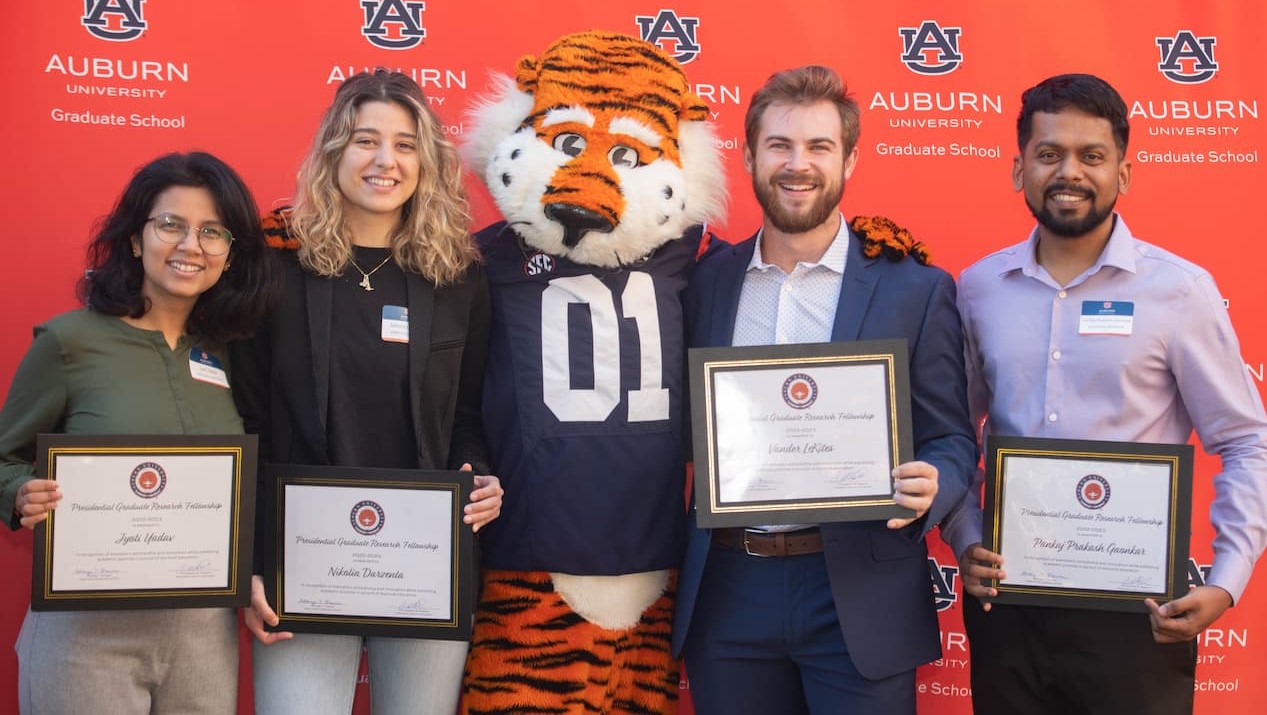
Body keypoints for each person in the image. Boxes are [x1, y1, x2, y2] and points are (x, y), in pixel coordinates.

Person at [940, 73, 1267, 714]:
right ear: (1018, 169)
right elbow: (951, 434)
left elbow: (1245, 439)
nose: (1070, 172)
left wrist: (1228, 580)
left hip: (1140, 611)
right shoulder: (978, 289)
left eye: (1092, 156)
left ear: (1124, 172)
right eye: (1049, 154)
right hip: (1011, 604)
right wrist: (964, 534)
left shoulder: (1179, 291)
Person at [671, 65, 977, 714]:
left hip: (858, 590)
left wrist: (936, 482)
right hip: (730, 587)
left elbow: (951, 436)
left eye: (818, 147)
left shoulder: (913, 290)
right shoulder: (702, 284)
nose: (797, 164)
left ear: (850, 160)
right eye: (779, 145)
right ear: (749, 154)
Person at [231, 69, 502, 715]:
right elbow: (244, 419)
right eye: (365, 140)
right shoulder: (273, 265)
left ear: (427, 161)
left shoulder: (458, 277)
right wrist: (246, 561)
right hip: (300, 566)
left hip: (425, 566)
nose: (386, 160)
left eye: (406, 144)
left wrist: (481, 475)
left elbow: (467, 415)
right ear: (333, 151)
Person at [0, 151, 279, 713]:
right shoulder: (69, 342)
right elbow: (5, 458)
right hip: (84, 634)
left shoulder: (236, 355)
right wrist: (18, 493)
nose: (190, 245)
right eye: (170, 224)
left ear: (230, 254)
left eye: (212, 232)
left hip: (203, 636)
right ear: (135, 238)